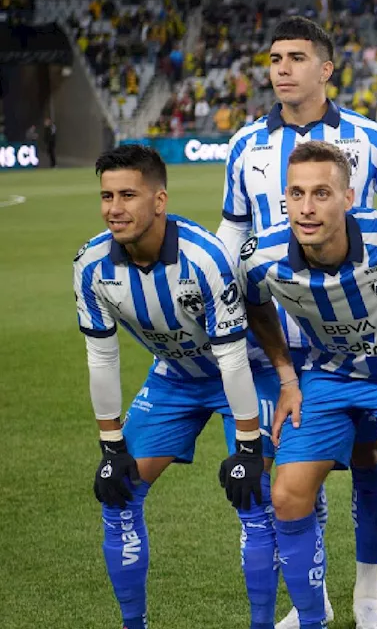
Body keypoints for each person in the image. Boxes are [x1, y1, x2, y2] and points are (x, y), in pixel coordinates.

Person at [217, 16, 377, 629]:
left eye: (296, 57)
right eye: (274, 57)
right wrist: (215, 291)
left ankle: (367, 598)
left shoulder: (369, 139)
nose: (281, 68)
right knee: (291, 478)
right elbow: (235, 231)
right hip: (279, 342)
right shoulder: (246, 144)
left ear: (326, 69)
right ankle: (314, 601)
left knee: (369, 464)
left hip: (359, 341)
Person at [239, 141, 377, 629]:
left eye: (321, 193)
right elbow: (254, 302)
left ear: (348, 198)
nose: (306, 208)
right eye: (296, 194)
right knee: (287, 494)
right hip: (326, 374)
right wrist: (287, 375)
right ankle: (313, 618)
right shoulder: (262, 255)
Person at [74, 144, 273, 629]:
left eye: (127, 195)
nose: (114, 209)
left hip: (245, 372)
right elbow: (101, 355)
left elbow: (231, 357)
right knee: (117, 491)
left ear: (159, 201)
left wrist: (248, 447)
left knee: (254, 495)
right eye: (106, 196)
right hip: (175, 378)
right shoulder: (90, 265)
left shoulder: (204, 258)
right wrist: (110, 444)